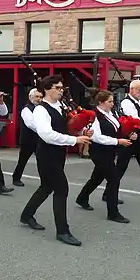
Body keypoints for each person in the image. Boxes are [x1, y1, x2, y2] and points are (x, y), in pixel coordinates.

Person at [19, 75, 91, 246]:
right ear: (46, 89)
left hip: (59, 153)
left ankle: (26, 215)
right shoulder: (40, 110)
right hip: (47, 154)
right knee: (61, 189)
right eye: (58, 88)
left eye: (62, 88)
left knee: (46, 187)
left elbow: (67, 127)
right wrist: (74, 141)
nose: (61, 91)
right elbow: (46, 135)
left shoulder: (61, 106)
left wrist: (81, 133)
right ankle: (62, 231)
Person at [75, 90, 134, 223]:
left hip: (109, 151)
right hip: (99, 151)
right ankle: (113, 212)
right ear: (101, 102)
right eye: (109, 101)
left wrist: (128, 135)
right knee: (113, 179)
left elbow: (118, 129)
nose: (112, 104)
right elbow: (97, 137)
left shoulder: (111, 114)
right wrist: (118, 141)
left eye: (112, 101)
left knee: (97, 178)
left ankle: (82, 197)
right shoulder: (95, 116)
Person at [11, 88, 42, 186]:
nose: (39, 99)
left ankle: (45, 181)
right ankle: (16, 178)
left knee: (42, 161)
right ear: (30, 97)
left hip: (39, 139)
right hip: (27, 139)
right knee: (23, 160)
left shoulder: (42, 109)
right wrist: (44, 131)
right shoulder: (26, 109)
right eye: (36, 96)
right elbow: (30, 124)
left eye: (41, 97)